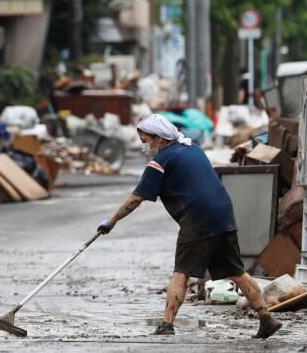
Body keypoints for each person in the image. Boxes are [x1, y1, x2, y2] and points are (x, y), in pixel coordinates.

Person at [96, 114, 282, 338]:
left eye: (145, 141)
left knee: (181, 273)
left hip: (198, 218)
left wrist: (112, 221)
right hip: (223, 213)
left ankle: (166, 325)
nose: (144, 146)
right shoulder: (192, 149)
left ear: (159, 138)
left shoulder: (161, 161)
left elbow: (137, 198)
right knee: (237, 272)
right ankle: (266, 318)